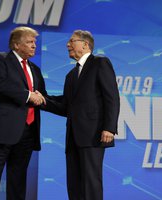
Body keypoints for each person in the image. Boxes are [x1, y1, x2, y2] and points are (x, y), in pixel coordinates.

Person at [0, 26, 47, 200]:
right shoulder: (0, 59)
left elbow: (42, 97)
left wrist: (71, 107)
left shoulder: (34, 69)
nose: (34, 46)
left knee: (18, 182)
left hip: (27, 132)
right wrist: (29, 96)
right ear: (16, 44)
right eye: (29, 42)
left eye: (35, 42)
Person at [45, 30, 120, 200]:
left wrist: (109, 127)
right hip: (73, 136)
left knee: (90, 181)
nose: (67, 45)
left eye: (72, 41)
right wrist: (42, 101)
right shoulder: (71, 75)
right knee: (74, 183)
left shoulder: (100, 62)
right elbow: (66, 106)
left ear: (85, 44)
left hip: (94, 133)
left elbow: (112, 96)